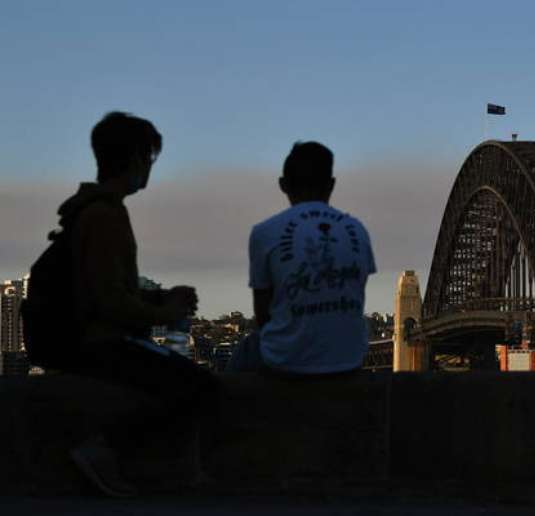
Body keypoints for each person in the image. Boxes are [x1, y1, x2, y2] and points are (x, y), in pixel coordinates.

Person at [51, 112, 218, 497]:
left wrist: (160, 297)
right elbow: (109, 302)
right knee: (199, 387)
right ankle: (103, 449)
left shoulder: (95, 209)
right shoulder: (104, 215)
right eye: (149, 158)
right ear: (137, 158)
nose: (150, 168)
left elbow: (108, 287)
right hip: (97, 341)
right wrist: (166, 313)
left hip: (92, 335)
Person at [228, 142, 376, 374]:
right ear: (331, 184)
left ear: (283, 185)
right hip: (348, 362)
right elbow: (357, 295)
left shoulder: (264, 232)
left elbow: (263, 314)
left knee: (244, 352)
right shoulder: (357, 231)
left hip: (285, 364)